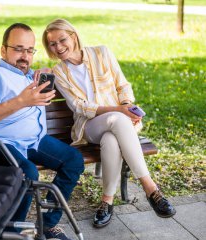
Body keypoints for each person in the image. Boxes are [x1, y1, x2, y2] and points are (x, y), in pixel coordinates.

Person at [42, 18, 176, 228]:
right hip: (89, 126)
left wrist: (127, 105)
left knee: (111, 140)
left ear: (74, 36)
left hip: (117, 123)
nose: (58, 47)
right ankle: (150, 188)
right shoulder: (59, 72)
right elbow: (79, 106)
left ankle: (107, 201)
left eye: (62, 40)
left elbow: (122, 85)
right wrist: (119, 111)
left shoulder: (102, 53)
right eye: (52, 44)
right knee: (117, 120)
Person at [0, 23, 84, 240]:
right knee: (27, 172)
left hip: (33, 141)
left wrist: (46, 74)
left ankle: (48, 225)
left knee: (73, 160)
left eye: (30, 50)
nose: (25, 56)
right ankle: (9, 235)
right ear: (3, 50)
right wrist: (21, 101)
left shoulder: (32, 76)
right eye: (19, 49)